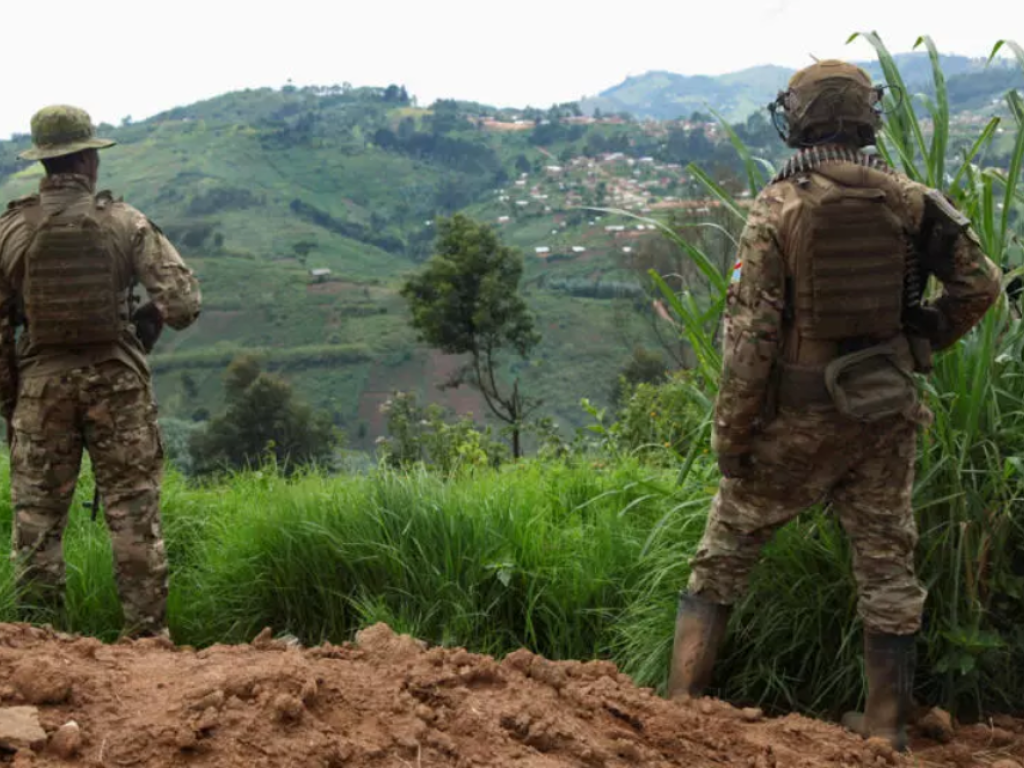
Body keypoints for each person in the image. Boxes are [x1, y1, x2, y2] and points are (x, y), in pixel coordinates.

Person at [665, 61, 1002, 751]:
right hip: (883, 415)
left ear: (800, 119)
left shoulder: (778, 207)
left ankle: (678, 707)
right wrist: (924, 333)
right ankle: (886, 732)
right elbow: (981, 285)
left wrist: (731, 436)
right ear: (865, 117)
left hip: (796, 416)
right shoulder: (910, 199)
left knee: (725, 552)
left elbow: (751, 339)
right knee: (886, 567)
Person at [0, 105, 201, 638]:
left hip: (40, 393)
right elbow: (182, 304)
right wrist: (145, 320)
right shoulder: (125, 222)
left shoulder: (10, 230)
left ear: (44, 163)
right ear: (89, 159)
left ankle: (41, 648)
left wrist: (11, 401)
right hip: (118, 386)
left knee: (37, 529)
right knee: (134, 515)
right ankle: (146, 643)